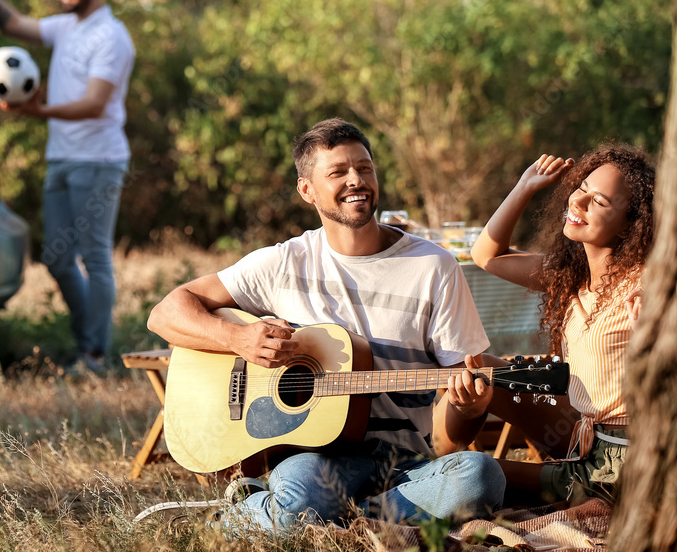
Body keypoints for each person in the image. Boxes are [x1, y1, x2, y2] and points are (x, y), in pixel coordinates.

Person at [147, 118, 505, 537]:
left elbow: (458, 436)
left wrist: (470, 407)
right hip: (315, 458)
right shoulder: (282, 264)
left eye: (365, 168)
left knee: (481, 477)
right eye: (338, 172)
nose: (357, 180)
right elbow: (166, 312)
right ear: (307, 190)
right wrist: (239, 338)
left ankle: (321, 521)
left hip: (406, 465)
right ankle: (270, 513)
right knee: (303, 491)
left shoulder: (433, 267)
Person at [0, 0, 135, 374]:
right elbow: (10, 22)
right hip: (62, 157)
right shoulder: (65, 28)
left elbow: (93, 104)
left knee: (95, 257)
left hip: (98, 159)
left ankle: (94, 354)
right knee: (55, 255)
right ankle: (90, 342)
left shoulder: (112, 37)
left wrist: (36, 111)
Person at [439, 144, 655, 503]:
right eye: (581, 187)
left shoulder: (647, 284)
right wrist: (525, 185)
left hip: (624, 460)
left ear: (629, 225)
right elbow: (485, 256)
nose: (579, 202)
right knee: (480, 374)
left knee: (472, 478)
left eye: (599, 202)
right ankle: (426, 462)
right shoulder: (571, 277)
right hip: (582, 439)